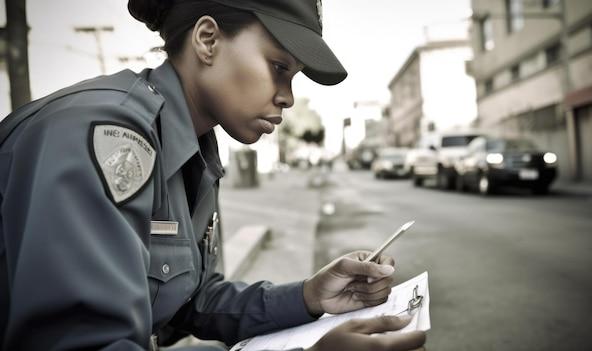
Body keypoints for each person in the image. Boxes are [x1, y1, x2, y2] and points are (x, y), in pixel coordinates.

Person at [0, 0, 427, 350]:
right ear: (208, 40)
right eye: (279, 67)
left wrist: (309, 296)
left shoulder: (194, 146)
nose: (289, 98)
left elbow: (193, 300)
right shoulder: (102, 135)